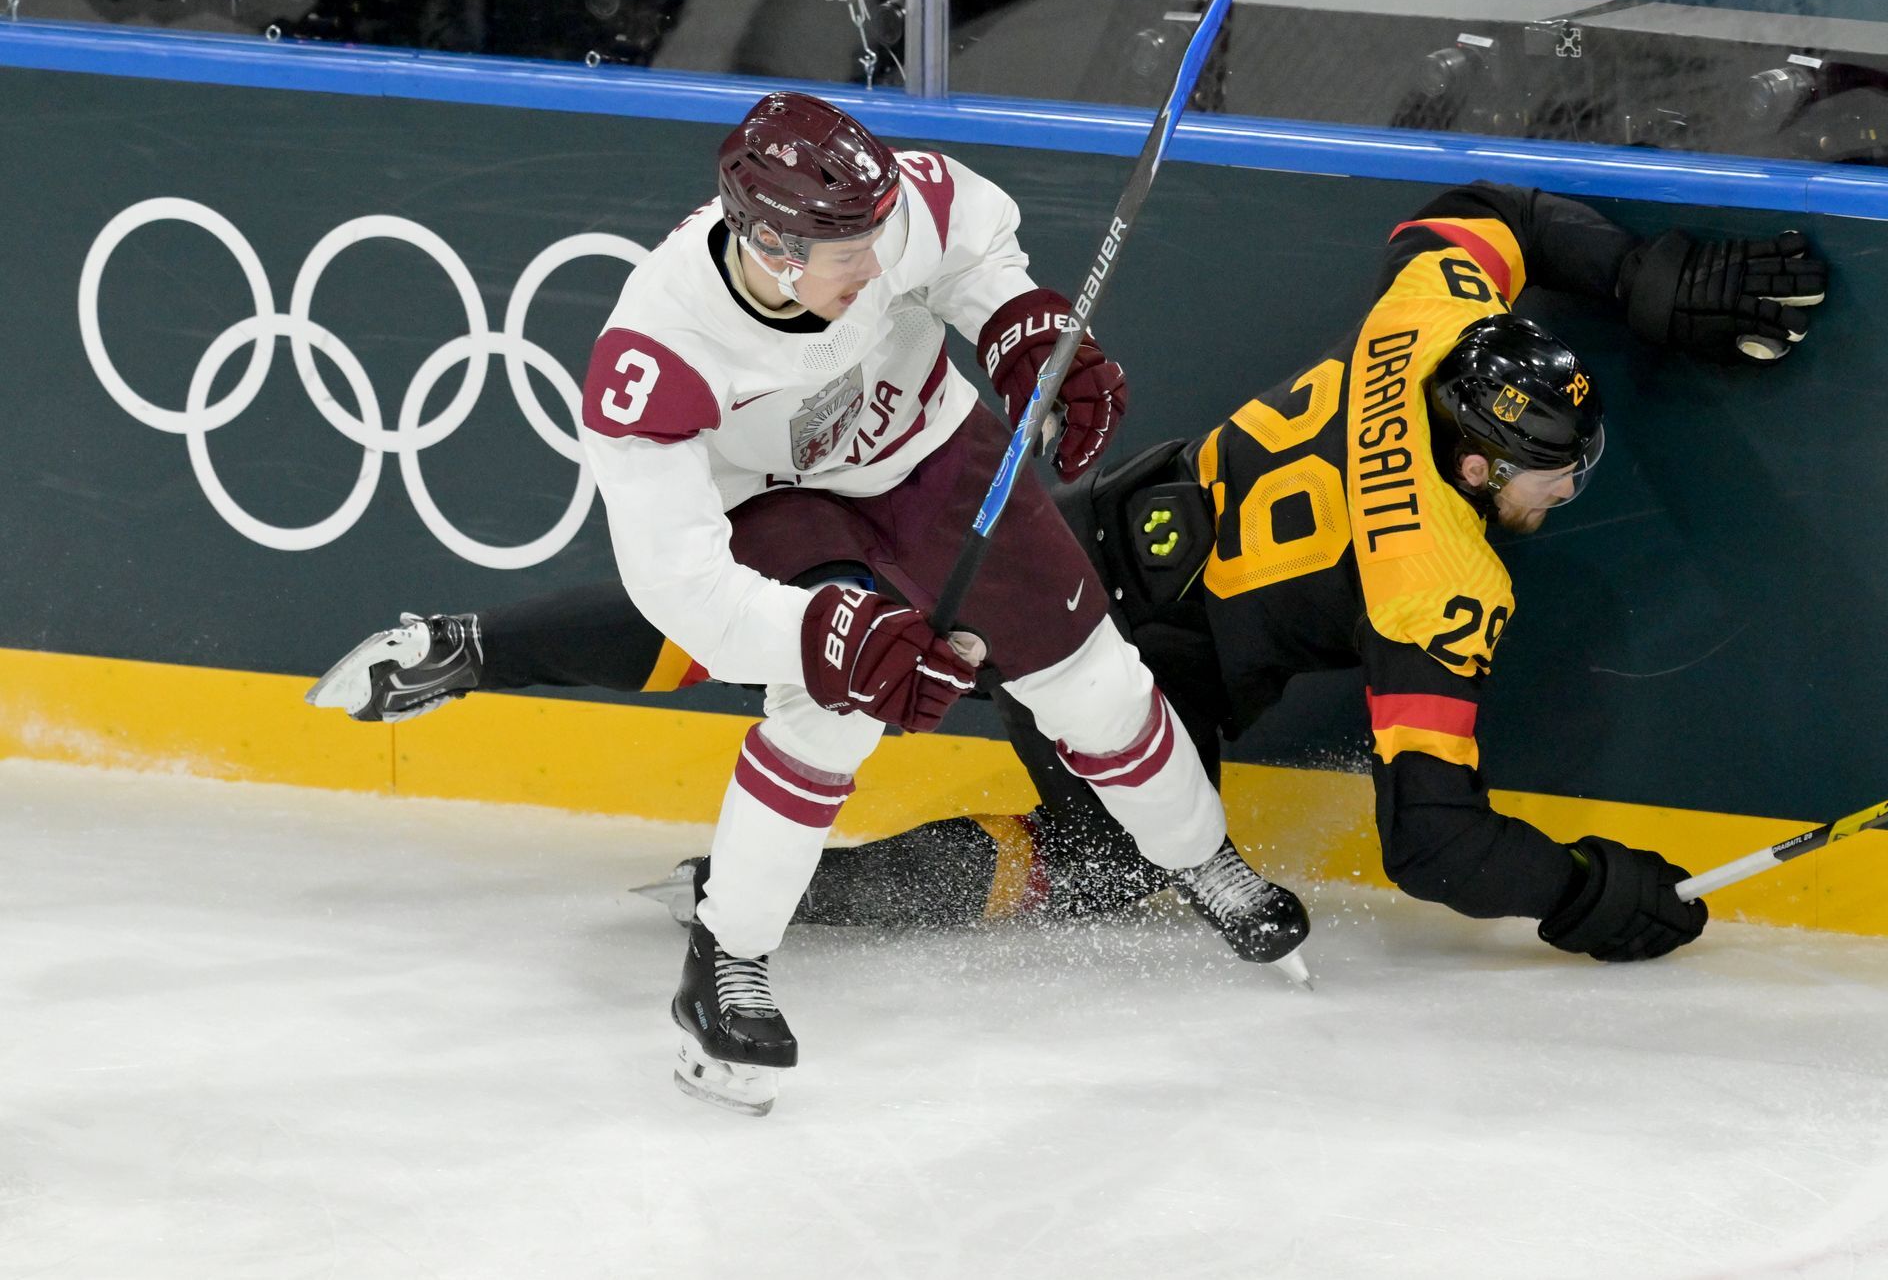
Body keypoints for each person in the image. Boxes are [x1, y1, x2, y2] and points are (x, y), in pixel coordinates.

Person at [312, 180, 1825, 999]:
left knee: (784, 596)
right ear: (1485, 473)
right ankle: (769, 902)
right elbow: (1431, 844)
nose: (1574, 492)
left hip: (1096, 523)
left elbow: (1475, 211)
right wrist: (1590, 894)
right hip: (1144, 645)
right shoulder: (1434, 574)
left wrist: (1628, 273)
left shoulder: (1425, 331)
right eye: (1554, 475)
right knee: (1107, 855)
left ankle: (472, 644)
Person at [308, 91, 1306, 1116]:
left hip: (926, 454)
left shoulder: (884, 208)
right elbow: (677, 588)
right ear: (774, 247)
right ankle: (726, 965)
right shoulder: (654, 355)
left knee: (1093, 681)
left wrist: (1017, 328)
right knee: (827, 710)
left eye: (877, 242)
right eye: (845, 256)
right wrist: (823, 636)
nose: (875, 267)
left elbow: (971, 252)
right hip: (778, 509)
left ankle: (1200, 859)